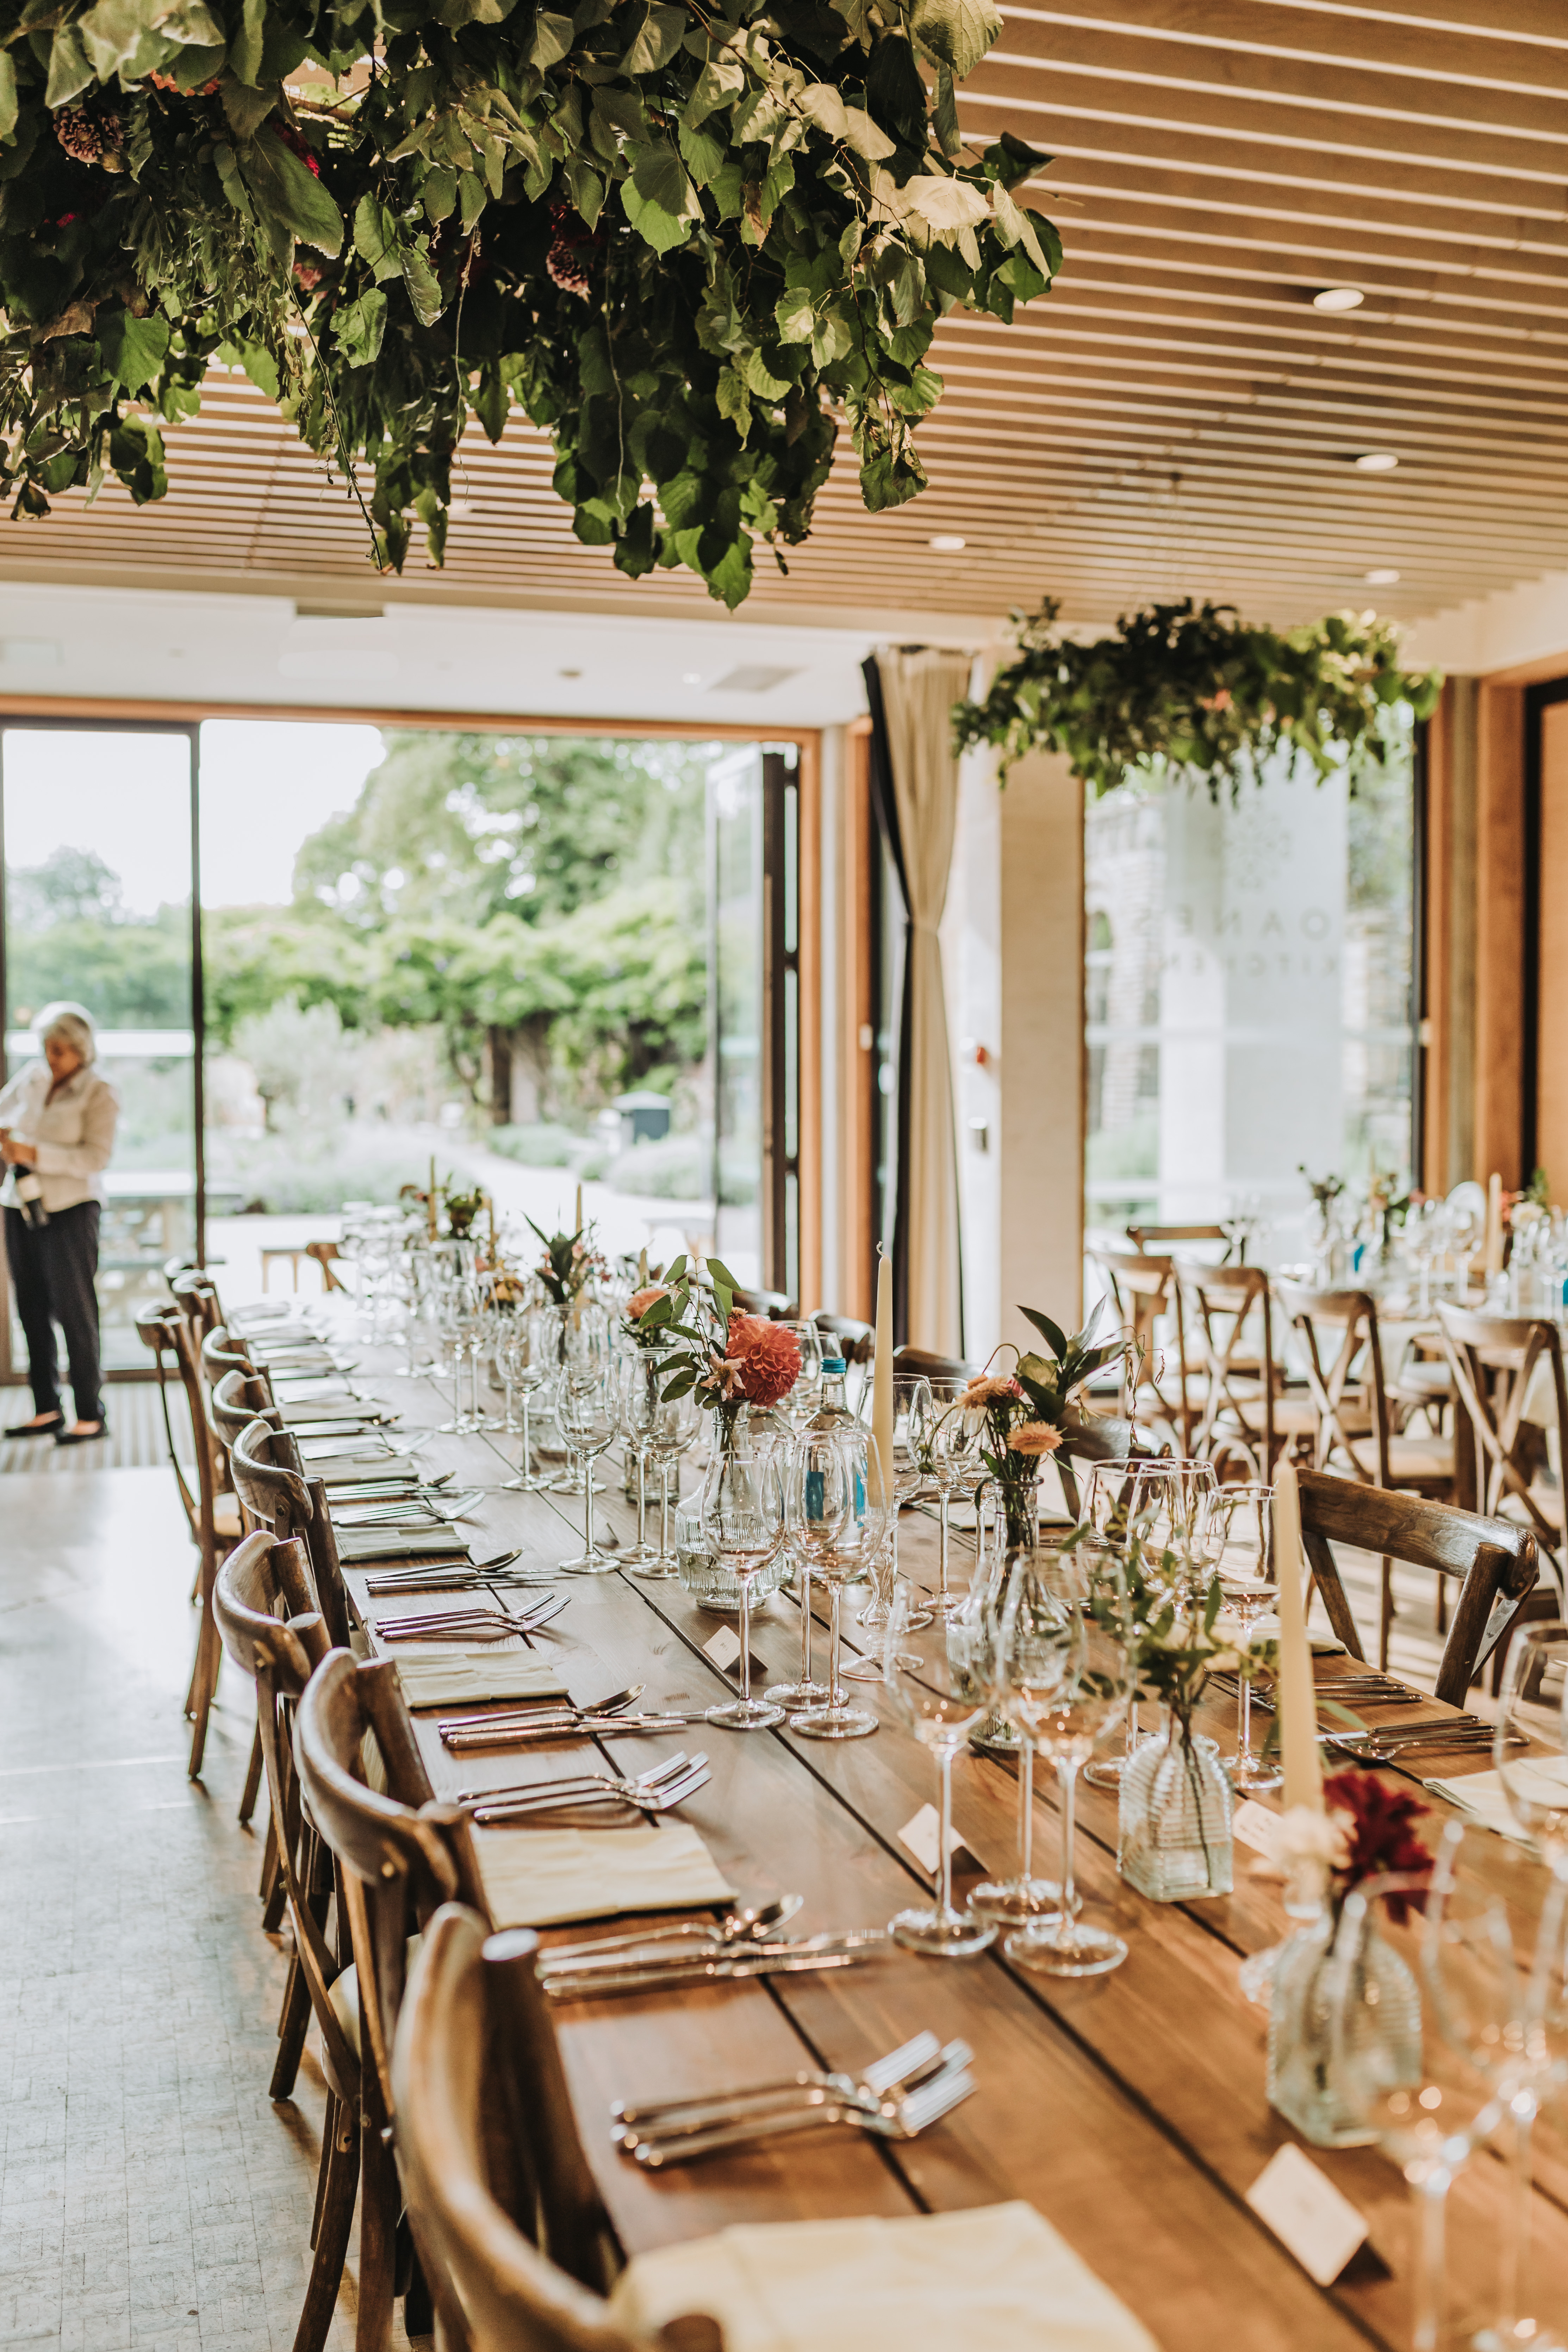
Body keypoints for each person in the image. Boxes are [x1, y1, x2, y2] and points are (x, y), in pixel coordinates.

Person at [0, 1002, 119, 1444]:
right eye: (47, 1048)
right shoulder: (32, 1077)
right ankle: (46, 1408)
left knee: (75, 1310)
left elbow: (96, 1158)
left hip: (72, 1208)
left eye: (60, 1051)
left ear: (82, 1050)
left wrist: (35, 1154)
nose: (51, 1058)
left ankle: (90, 1413)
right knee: (30, 1308)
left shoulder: (100, 1091)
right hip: (20, 1203)